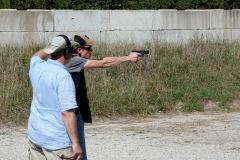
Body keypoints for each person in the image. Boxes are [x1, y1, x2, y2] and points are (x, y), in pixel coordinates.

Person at [65, 34, 142, 160]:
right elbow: (104, 63)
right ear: (79, 50)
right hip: (71, 114)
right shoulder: (74, 60)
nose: (91, 51)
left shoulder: (70, 60)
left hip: (72, 112)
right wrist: (128, 58)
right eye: (88, 48)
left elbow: (103, 60)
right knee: (77, 155)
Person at [27, 35, 83, 160]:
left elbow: (36, 56)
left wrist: (51, 46)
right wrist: (75, 142)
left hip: (36, 135)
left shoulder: (36, 65)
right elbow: (67, 113)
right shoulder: (63, 76)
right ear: (67, 53)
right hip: (57, 142)